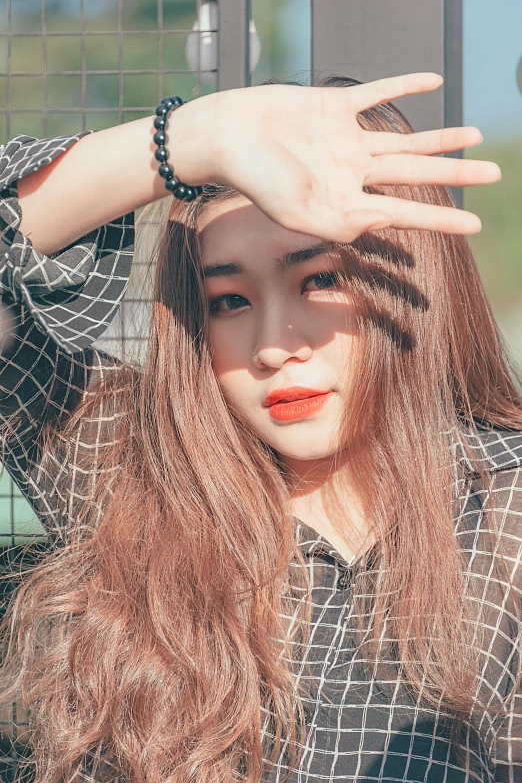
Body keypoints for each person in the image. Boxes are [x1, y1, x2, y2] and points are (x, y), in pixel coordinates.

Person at [0, 71, 520, 783]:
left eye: (319, 280)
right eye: (231, 300)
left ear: (410, 277)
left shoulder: (505, 518)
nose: (275, 345)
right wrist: (191, 143)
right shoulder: (130, 477)